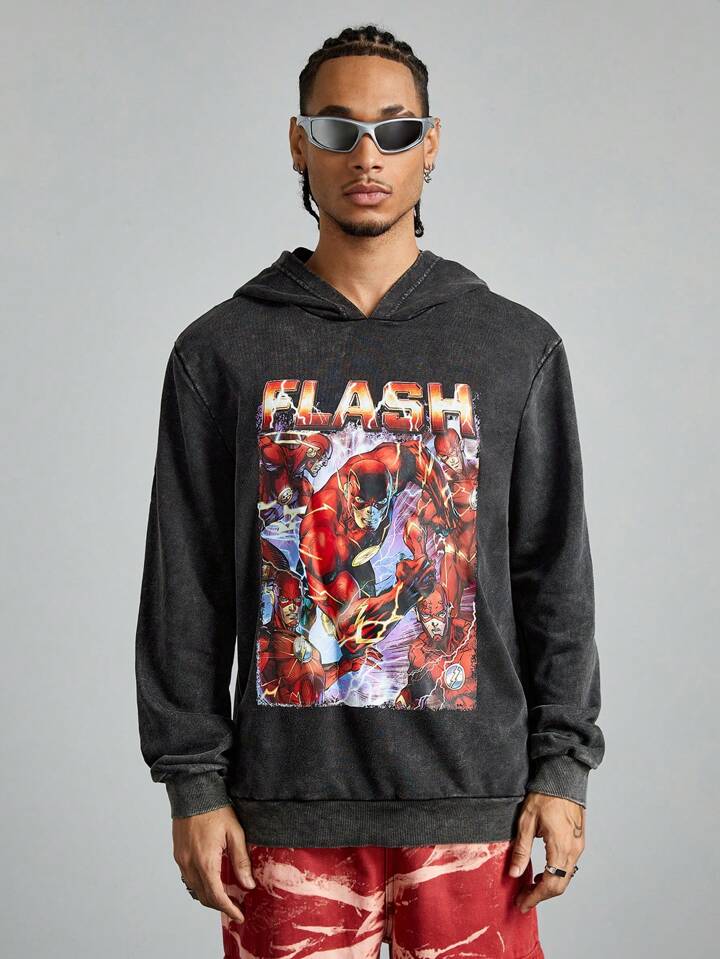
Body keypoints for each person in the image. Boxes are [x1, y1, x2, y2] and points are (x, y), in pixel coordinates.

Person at [134, 23, 605, 959]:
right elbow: (186, 584)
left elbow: (554, 576)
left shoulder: (514, 347)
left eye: (394, 130)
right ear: (298, 142)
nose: (367, 155)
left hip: (478, 811)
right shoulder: (220, 352)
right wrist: (193, 782)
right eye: (337, 128)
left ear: (431, 144)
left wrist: (563, 769)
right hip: (281, 815)